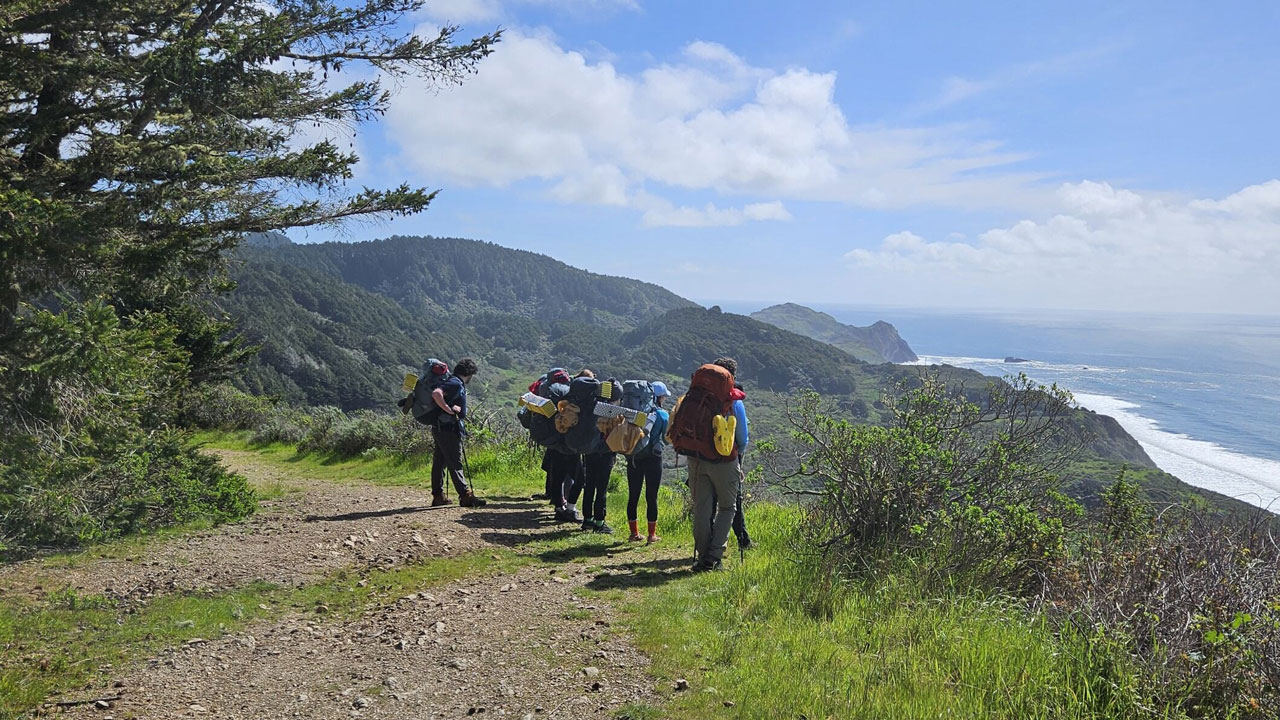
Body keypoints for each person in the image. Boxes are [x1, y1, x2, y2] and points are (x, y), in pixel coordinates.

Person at [673, 357, 747, 572]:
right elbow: (742, 439)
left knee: (702, 509)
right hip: (724, 460)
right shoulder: (733, 402)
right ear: (730, 378)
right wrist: (737, 457)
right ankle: (713, 558)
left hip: (695, 457)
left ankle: (703, 557)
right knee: (727, 507)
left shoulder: (691, 397)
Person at [428, 357, 487, 508]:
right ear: (469, 373)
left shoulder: (452, 381)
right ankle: (465, 495)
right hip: (449, 429)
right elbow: (436, 394)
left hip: (440, 427)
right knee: (455, 462)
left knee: (439, 462)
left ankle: (438, 496)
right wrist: (449, 410)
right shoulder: (455, 383)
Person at [626, 381, 670, 544]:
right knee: (652, 496)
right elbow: (667, 439)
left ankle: (634, 533)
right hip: (653, 458)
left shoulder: (634, 413)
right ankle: (652, 535)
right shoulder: (662, 415)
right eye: (664, 396)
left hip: (634, 457)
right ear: (658, 397)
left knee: (633, 495)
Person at [579, 371, 616, 534]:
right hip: (605, 453)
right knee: (601, 488)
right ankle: (600, 522)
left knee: (589, 485)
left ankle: (587, 520)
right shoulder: (611, 410)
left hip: (589, 450)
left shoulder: (590, 405)